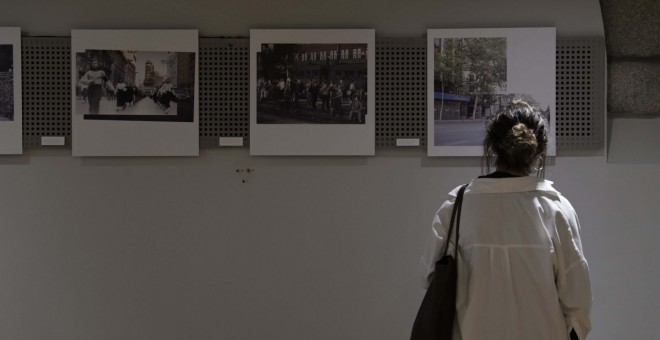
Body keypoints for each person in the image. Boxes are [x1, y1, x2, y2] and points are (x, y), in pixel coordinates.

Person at [420, 100, 591, 340]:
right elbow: (577, 302)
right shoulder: (556, 210)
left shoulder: (456, 207)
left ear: (492, 147)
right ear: (538, 153)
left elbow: (430, 277)